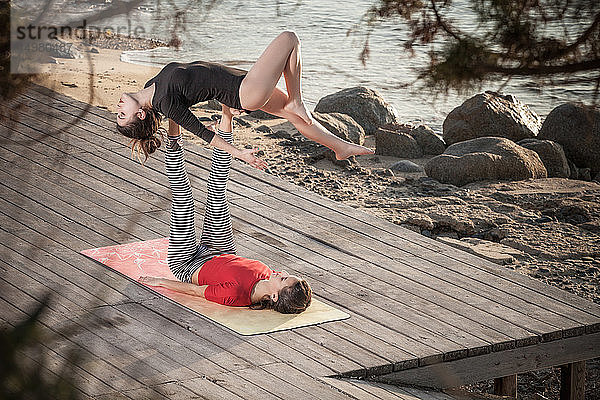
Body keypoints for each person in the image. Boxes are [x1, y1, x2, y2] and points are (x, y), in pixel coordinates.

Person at [139, 111, 312, 314]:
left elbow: (195, 291)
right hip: (220, 252)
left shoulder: (235, 295)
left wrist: (160, 281)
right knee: (218, 191)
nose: (281, 272)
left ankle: (174, 120)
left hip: (188, 264)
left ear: (274, 296)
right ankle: (227, 113)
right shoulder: (269, 277)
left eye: (283, 278)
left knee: (184, 197)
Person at [115, 30, 374, 164]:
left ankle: (339, 147)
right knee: (289, 39)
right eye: (121, 115)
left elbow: (175, 123)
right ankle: (298, 98)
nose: (118, 107)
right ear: (140, 113)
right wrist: (240, 154)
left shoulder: (153, 88)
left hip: (241, 83)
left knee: (291, 115)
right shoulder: (165, 104)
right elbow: (206, 136)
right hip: (244, 92)